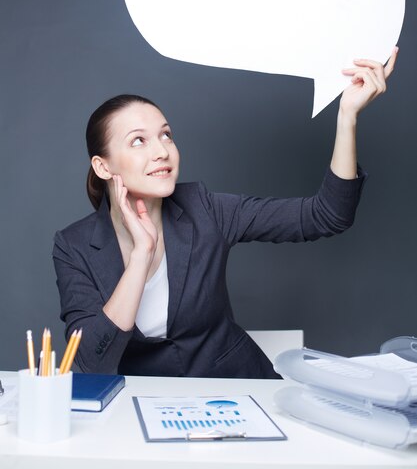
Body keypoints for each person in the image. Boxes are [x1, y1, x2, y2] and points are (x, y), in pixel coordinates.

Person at [53, 50, 397, 377]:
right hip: (141, 404)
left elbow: (326, 215)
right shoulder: (74, 246)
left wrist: (347, 117)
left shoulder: (205, 208)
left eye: (166, 135)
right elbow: (90, 364)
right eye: (138, 141)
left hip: (235, 387)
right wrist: (141, 256)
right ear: (102, 166)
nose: (161, 151)